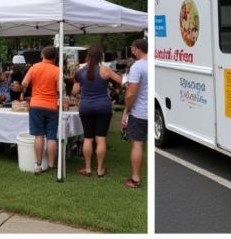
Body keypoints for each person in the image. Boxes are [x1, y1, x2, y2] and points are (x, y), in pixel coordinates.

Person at [72, 43, 122, 177]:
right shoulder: (105, 70)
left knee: (88, 138)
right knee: (101, 139)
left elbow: (74, 91)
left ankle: (88, 168)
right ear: (101, 56)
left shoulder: (79, 71)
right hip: (103, 106)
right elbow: (121, 81)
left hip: (86, 106)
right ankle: (100, 170)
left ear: (88, 55)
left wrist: (80, 90)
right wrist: (113, 89)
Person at [21, 46, 61, 175]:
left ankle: (38, 165)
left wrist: (26, 89)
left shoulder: (34, 67)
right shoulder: (57, 70)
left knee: (38, 136)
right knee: (51, 137)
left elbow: (24, 83)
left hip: (36, 104)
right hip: (52, 105)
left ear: (42, 55)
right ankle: (51, 164)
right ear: (55, 57)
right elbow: (61, 89)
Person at [121, 38, 148, 189]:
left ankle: (135, 179)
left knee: (137, 144)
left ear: (138, 49)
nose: (132, 52)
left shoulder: (137, 66)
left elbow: (131, 93)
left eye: (132, 49)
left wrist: (127, 109)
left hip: (140, 112)